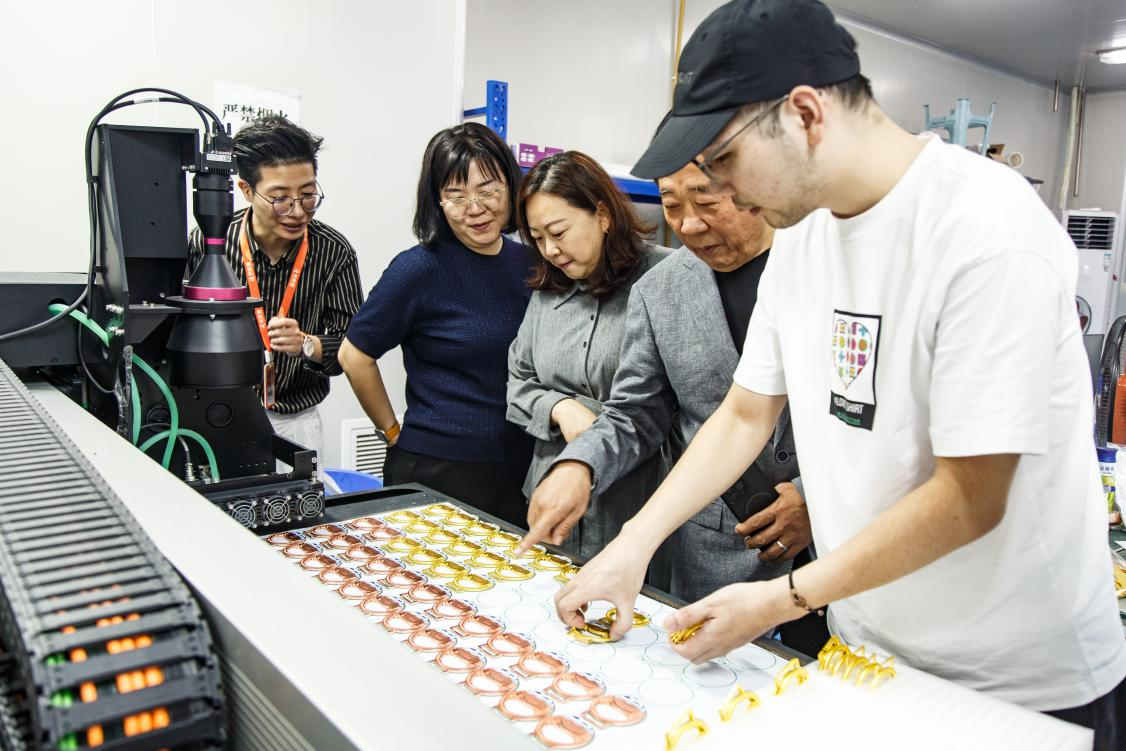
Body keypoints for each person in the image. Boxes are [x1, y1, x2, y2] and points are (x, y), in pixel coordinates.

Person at [555, 0, 1126, 744]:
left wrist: (783, 598)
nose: (723, 192)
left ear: (804, 114)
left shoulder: (986, 230)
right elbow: (744, 413)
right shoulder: (805, 234)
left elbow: (971, 496)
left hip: (1013, 681)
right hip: (868, 652)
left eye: (723, 162)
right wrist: (632, 545)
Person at [516, 151, 824, 651]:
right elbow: (636, 413)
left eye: (706, 200)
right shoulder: (660, 290)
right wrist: (580, 465)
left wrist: (814, 497)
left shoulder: (826, 266)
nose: (689, 224)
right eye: (671, 204)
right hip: (716, 550)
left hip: (837, 551)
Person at [339, 123, 533, 527]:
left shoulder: (530, 264)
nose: (475, 208)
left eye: (488, 190)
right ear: (437, 201)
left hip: (521, 468)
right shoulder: (419, 268)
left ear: (510, 187)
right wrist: (392, 433)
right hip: (438, 470)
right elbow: (354, 356)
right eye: (456, 196)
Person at [507, 151, 671, 562]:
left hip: (634, 508)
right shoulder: (548, 292)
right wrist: (558, 407)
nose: (550, 250)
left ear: (602, 215)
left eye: (558, 232)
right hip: (551, 501)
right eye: (537, 238)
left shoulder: (665, 278)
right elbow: (518, 382)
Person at [187, 116, 363, 458]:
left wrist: (307, 344)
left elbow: (354, 347)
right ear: (246, 190)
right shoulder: (209, 243)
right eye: (280, 198)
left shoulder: (333, 251)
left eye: (308, 195)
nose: (297, 212)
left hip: (295, 421)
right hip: (215, 414)